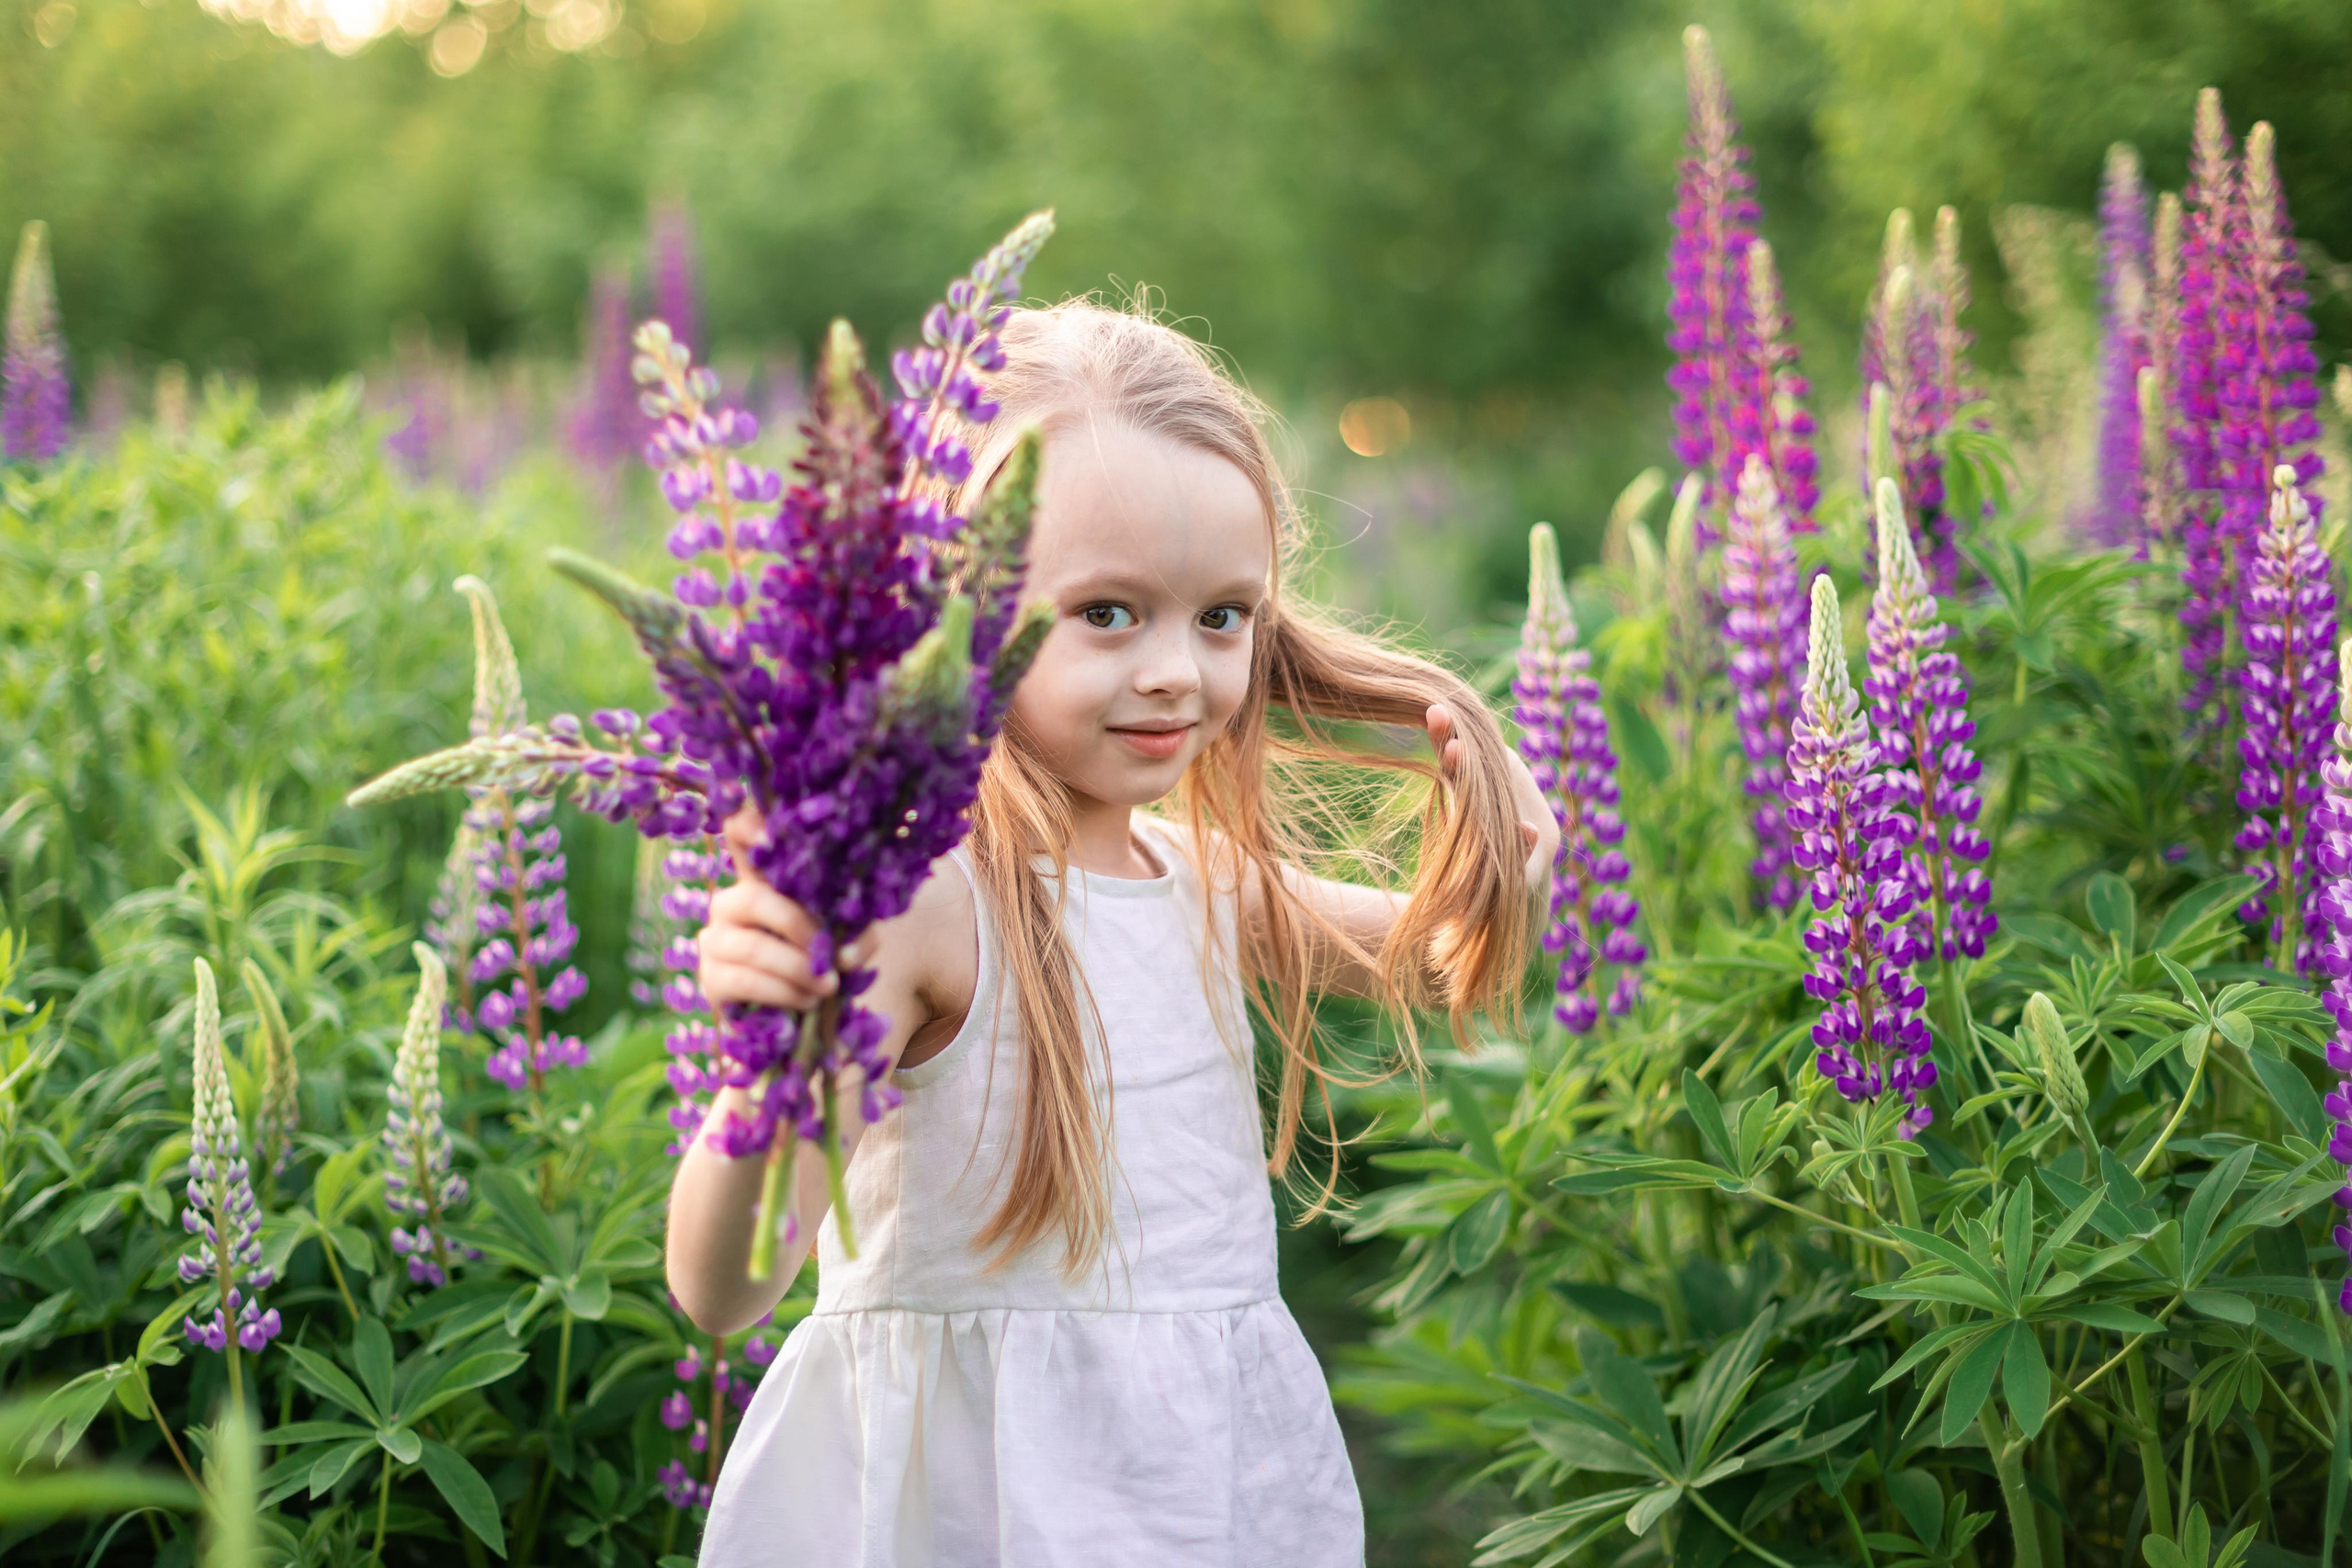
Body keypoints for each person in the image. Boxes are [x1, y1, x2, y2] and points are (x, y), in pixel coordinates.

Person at [668, 299, 1559, 1567]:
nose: (1176, 675)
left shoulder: (1204, 882)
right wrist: (775, 1056)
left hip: (1199, 1491)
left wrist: (1508, 871)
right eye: (1107, 614)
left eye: (1220, 617)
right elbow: (724, 1288)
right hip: (970, 1514)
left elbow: (1441, 960)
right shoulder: (925, 904)